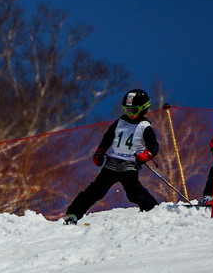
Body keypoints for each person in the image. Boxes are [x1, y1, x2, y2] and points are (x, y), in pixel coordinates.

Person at [63, 89, 160, 224]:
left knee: (134, 192)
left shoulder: (144, 127)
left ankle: (153, 211)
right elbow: (108, 137)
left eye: (133, 110)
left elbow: (154, 146)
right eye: (126, 110)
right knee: (95, 191)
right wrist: (100, 151)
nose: (129, 114)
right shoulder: (120, 122)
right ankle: (73, 213)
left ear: (143, 109)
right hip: (111, 164)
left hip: (129, 165)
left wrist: (147, 155)